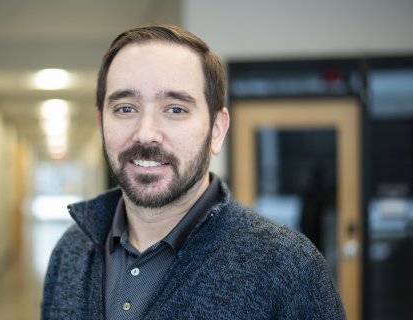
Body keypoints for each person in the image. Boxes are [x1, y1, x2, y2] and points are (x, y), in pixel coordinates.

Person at [42, 25, 345, 320]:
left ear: (216, 130)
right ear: (101, 124)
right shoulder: (71, 251)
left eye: (175, 109)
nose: (146, 134)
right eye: (125, 108)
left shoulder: (289, 268)